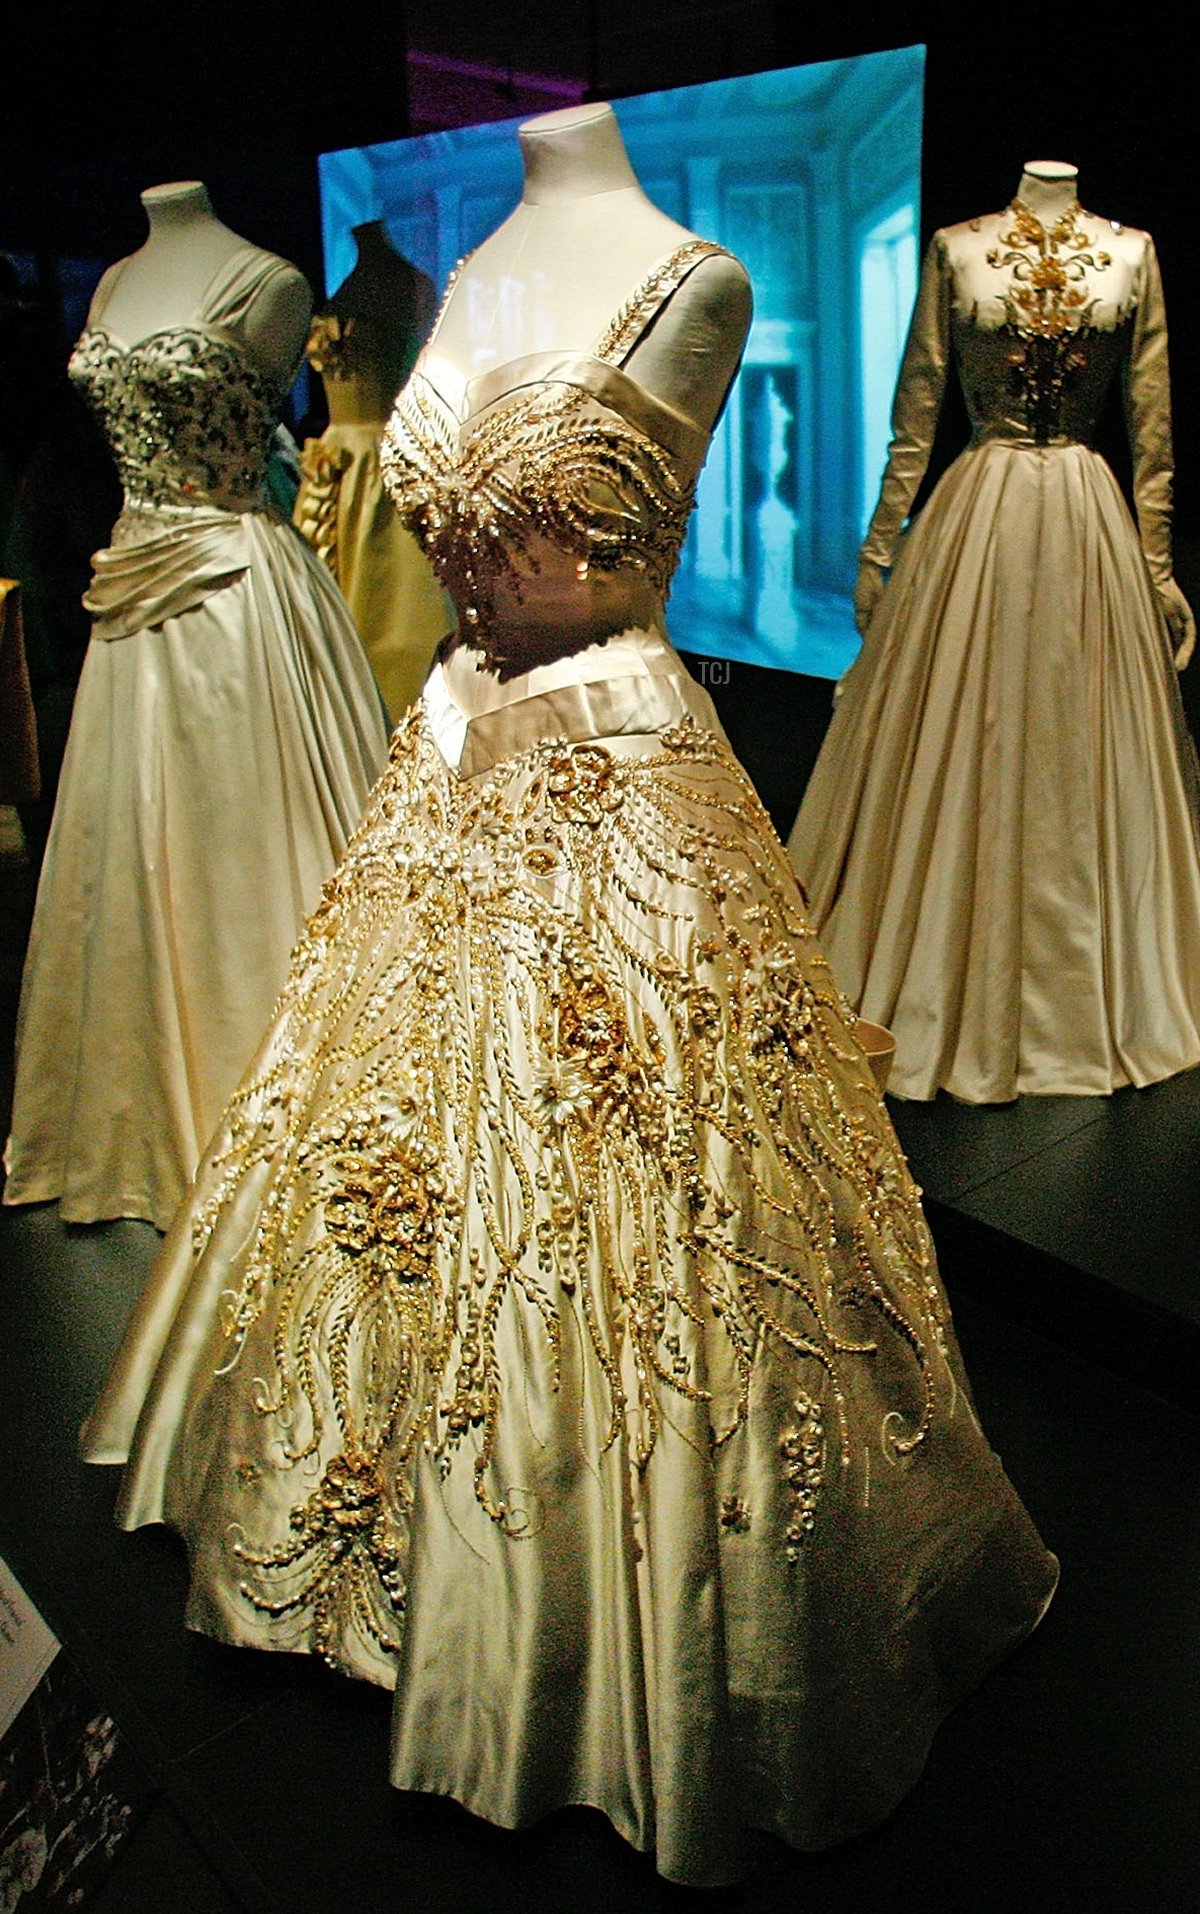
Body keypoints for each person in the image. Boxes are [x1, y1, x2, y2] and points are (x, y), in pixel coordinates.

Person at [82, 112, 1056, 1886]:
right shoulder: (468, 274)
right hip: (444, 767)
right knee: (387, 1179)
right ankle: (391, 1565)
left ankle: (620, 1641)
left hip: (621, 788)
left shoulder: (702, 277)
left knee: (656, 1224)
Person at [3, 183, 389, 1228]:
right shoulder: (120, 278)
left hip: (233, 601)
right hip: (133, 599)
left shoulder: (268, 283)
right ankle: (130, 1107)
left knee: (245, 847)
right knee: (129, 852)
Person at [788, 161, 1200, 1102]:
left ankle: (1085, 985)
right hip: (976, 514)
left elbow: (1151, 426)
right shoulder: (955, 248)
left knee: (1080, 741)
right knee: (957, 734)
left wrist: (1159, 564)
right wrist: (879, 547)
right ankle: (943, 952)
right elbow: (916, 414)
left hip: (1086, 522)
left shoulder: (1133, 252)